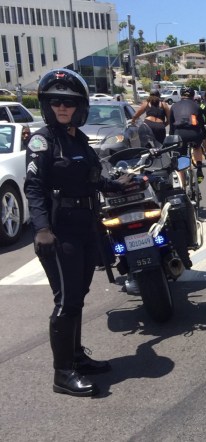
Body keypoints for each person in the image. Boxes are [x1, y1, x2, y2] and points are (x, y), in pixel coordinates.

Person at [24, 69, 134, 397]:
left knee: (78, 296)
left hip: (86, 224)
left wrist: (114, 185)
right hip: (60, 231)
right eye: (55, 101)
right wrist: (42, 229)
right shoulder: (44, 141)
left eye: (68, 103)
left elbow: (91, 178)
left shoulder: (78, 140)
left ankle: (75, 357)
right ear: (47, 105)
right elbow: (34, 187)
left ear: (79, 107)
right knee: (66, 301)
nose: (62, 107)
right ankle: (63, 374)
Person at [169, 87, 206, 182]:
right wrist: (203, 135)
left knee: (181, 156)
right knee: (197, 148)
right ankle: (199, 168)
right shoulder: (197, 105)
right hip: (194, 132)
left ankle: (183, 184)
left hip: (180, 133)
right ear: (193, 95)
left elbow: (171, 126)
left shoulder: (174, 106)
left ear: (181, 95)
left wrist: (171, 139)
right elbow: (201, 123)